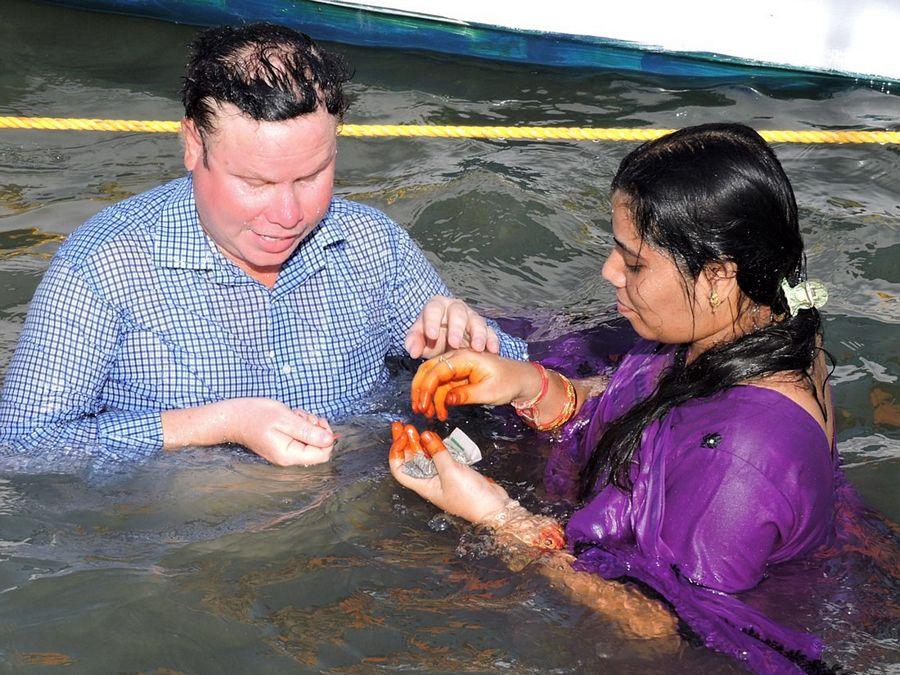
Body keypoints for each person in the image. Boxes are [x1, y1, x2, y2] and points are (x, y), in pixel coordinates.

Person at [389, 123, 837, 672]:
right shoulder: (759, 325)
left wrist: (499, 518)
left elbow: (663, 633)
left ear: (718, 276)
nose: (608, 271)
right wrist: (529, 384)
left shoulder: (737, 456)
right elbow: (637, 411)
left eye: (635, 262)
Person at [0, 23, 526, 469]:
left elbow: (522, 376)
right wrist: (217, 424)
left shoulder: (371, 243)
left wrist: (468, 347)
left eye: (312, 176)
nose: (288, 215)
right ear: (192, 144)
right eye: (255, 183)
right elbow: (19, 445)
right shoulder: (101, 267)